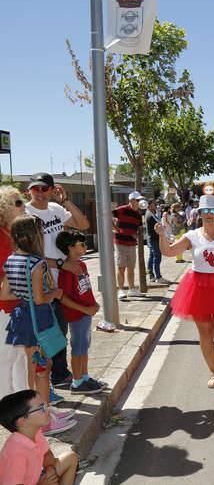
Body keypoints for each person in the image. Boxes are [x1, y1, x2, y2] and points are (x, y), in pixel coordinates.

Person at [155, 195, 214, 389]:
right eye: (205, 211)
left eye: (212, 211)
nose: (209, 214)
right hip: (198, 286)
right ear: (199, 213)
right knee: (206, 333)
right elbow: (169, 252)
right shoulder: (192, 236)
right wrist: (161, 235)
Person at [0, 216, 76, 435]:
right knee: (43, 370)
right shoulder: (38, 263)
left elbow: (5, 293)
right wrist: (56, 293)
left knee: (34, 369)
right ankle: (45, 419)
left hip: (22, 318)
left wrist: (24, 293)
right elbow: (40, 298)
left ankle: (46, 413)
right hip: (39, 320)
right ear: (34, 237)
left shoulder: (11, 260)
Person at [25, 173, 90, 391]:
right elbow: (30, 253)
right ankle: (51, 382)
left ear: (53, 189)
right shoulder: (26, 214)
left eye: (45, 189)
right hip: (42, 281)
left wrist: (66, 201)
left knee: (61, 331)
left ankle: (60, 375)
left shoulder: (56, 209)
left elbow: (83, 224)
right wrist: (61, 264)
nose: (40, 193)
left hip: (60, 281)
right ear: (30, 190)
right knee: (49, 334)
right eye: (36, 189)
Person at [55, 230, 104, 395]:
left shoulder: (81, 265)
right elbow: (63, 297)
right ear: (70, 248)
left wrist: (94, 303)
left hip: (86, 313)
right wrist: (85, 309)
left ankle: (84, 377)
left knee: (84, 347)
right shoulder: (67, 270)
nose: (85, 246)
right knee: (78, 348)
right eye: (81, 244)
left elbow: (86, 288)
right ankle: (76, 382)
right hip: (77, 314)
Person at [0, 390, 79, 484]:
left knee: (71, 457)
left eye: (46, 405)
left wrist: (49, 468)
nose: (48, 409)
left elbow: (47, 454)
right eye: (42, 408)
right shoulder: (15, 453)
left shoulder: (35, 432)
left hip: (37, 478)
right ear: (22, 421)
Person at [0, 186, 28, 400]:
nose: (24, 205)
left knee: (21, 360)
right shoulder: (2, 238)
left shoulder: (14, 235)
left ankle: (24, 408)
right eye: (18, 202)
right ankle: (8, 409)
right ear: (4, 208)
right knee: (6, 361)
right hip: (5, 310)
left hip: (17, 307)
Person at [111, 192, 144, 300]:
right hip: (120, 243)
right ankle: (120, 290)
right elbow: (108, 215)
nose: (139, 202)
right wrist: (116, 229)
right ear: (131, 201)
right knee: (121, 267)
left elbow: (139, 228)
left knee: (131, 267)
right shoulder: (122, 209)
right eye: (137, 200)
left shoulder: (138, 214)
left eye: (139, 200)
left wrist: (137, 235)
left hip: (132, 244)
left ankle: (132, 289)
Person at [144, 201, 167, 284]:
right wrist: (161, 227)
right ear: (149, 205)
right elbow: (157, 226)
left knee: (152, 256)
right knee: (157, 257)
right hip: (154, 239)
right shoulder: (150, 215)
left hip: (152, 239)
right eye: (154, 204)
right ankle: (158, 276)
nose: (155, 206)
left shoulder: (151, 213)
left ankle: (151, 275)